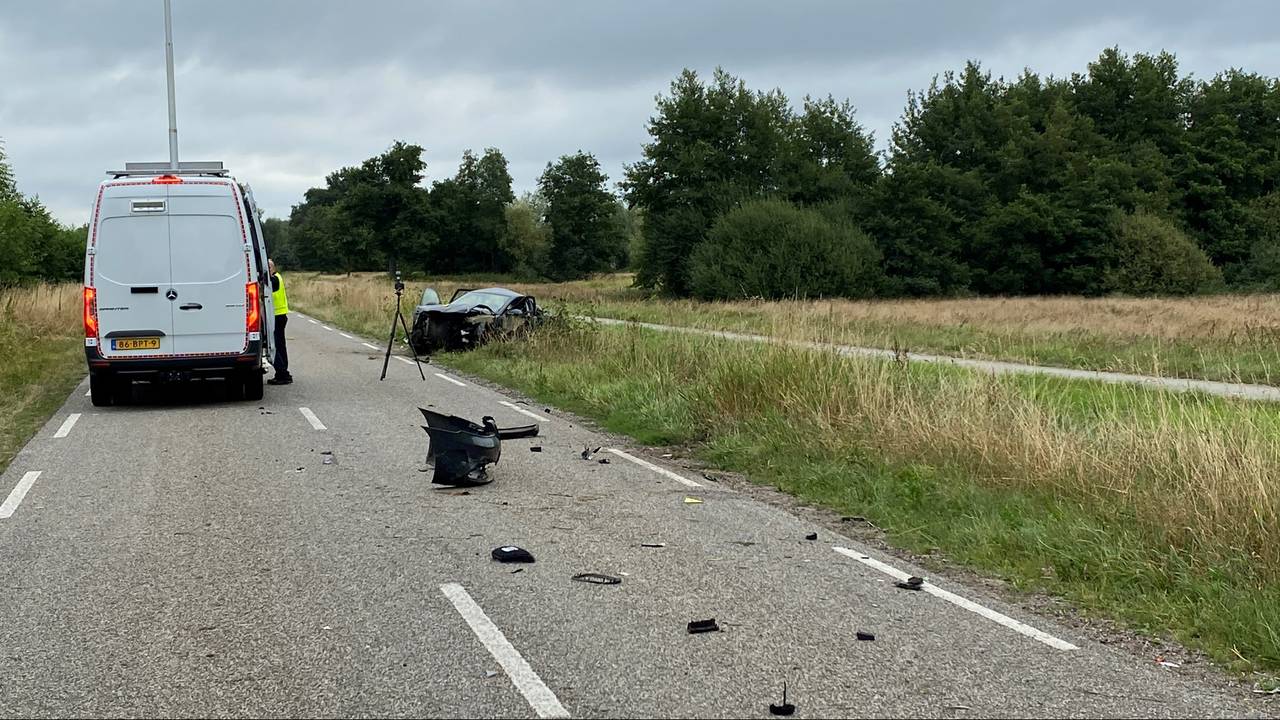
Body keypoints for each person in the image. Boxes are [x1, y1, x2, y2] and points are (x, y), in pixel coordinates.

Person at [267, 259, 293, 385]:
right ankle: (282, 372)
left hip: (276, 316)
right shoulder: (278, 277)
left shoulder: (275, 279)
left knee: (275, 346)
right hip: (280, 315)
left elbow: (268, 286)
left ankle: (283, 373)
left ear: (271, 268)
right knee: (280, 345)